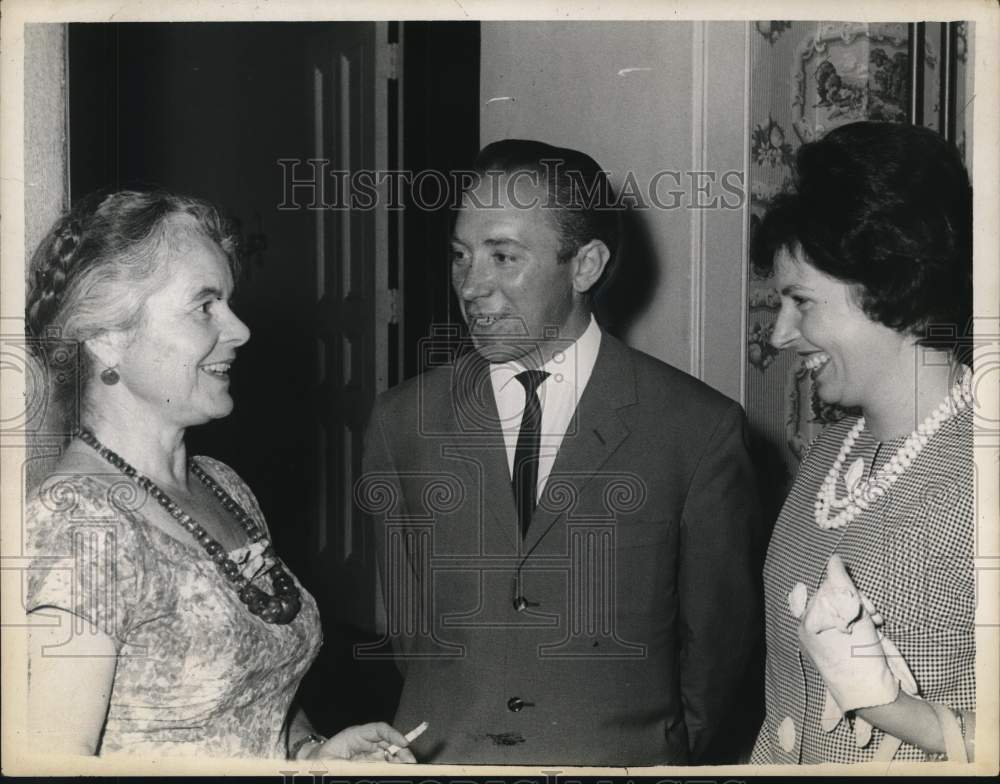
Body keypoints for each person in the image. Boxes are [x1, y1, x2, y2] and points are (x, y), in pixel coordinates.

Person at [360, 140, 763, 764]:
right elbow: (408, 628)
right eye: (462, 257)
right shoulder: (402, 423)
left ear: (585, 266)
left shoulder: (697, 430)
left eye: (504, 257)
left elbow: (713, 653)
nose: (472, 286)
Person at [23, 189, 416, 762]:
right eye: (204, 306)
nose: (239, 330)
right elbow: (51, 767)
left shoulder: (221, 485)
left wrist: (308, 752)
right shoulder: (80, 525)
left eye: (228, 303)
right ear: (107, 334)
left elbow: (252, 676)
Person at [749, 121, 976, 764]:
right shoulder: (830, 450)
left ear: (887, 286)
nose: (779, 335)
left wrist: (901, 715)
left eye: (801, 302)